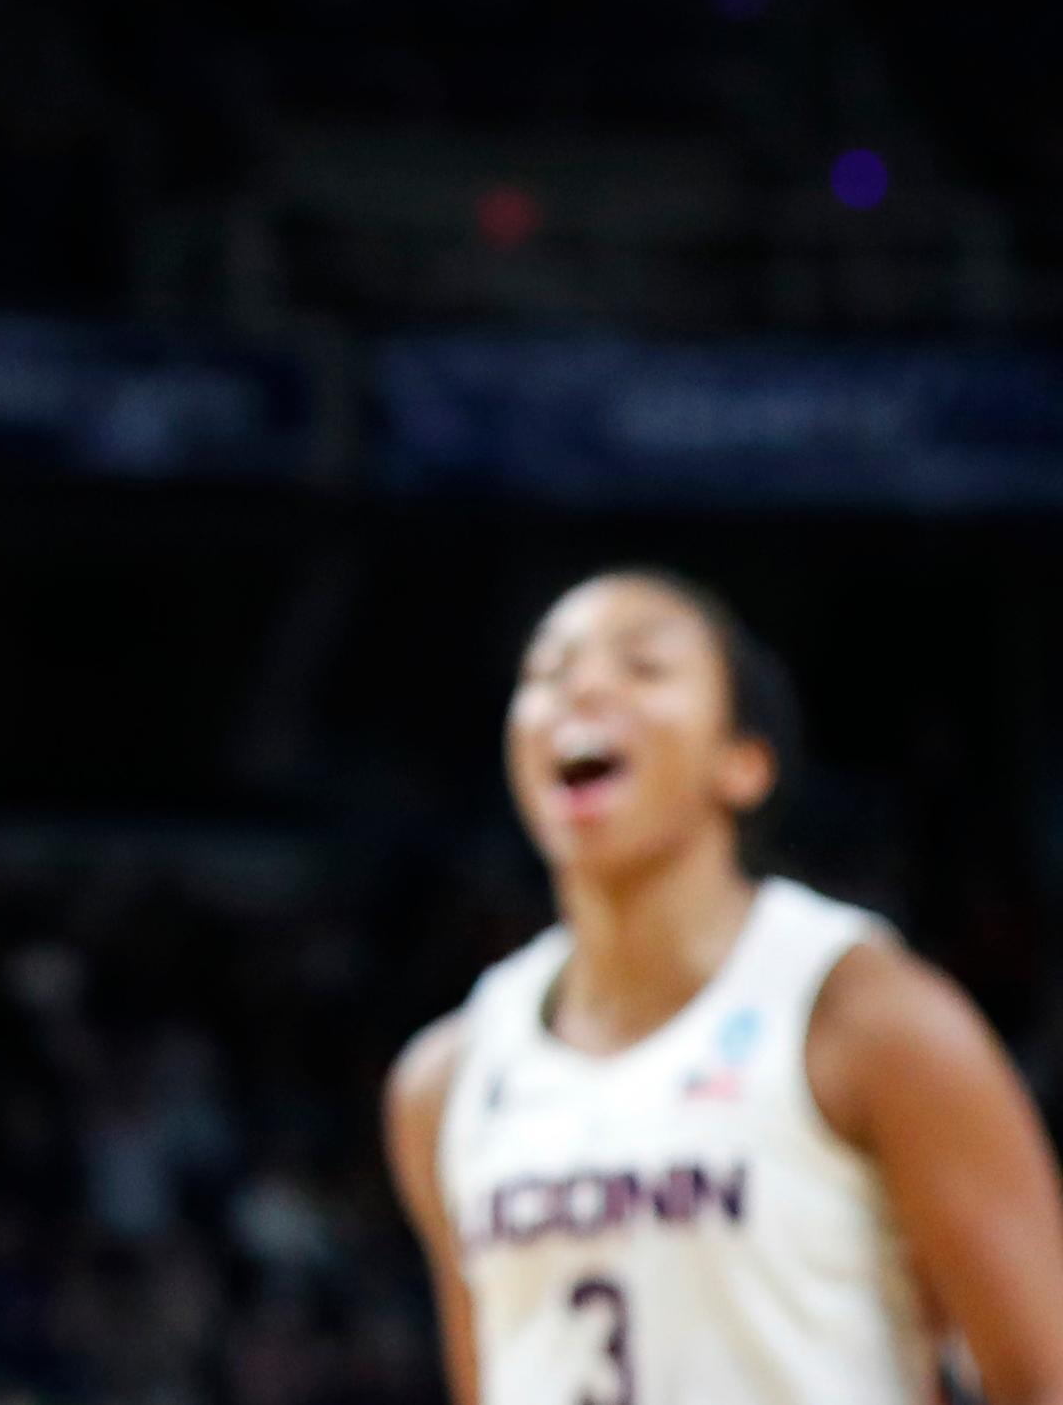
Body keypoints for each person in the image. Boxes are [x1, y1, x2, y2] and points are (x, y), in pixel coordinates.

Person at [387, 569, 1063, 1405]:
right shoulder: (444, 1081)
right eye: (550, 672)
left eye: (644, 666)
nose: (586, 687)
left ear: (741, 764)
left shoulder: (868, 1019)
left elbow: (1044, 1376)